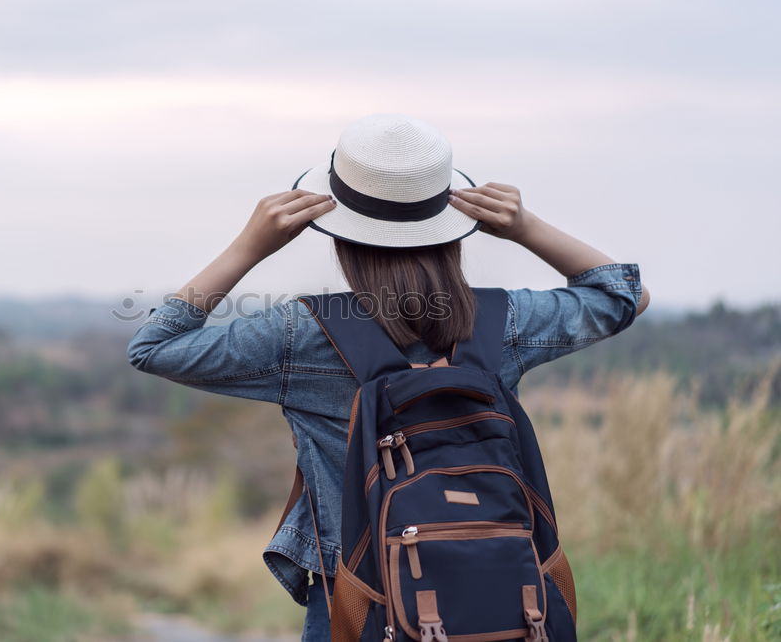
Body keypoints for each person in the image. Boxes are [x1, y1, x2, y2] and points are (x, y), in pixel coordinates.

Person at [126, 113, 651, 641]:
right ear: (450, 226)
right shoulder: (503, 323)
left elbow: (154, 346)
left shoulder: (302, 333)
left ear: (339, 232)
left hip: (356, 594)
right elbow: (623, 296)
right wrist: (525, 227)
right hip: (499, 590)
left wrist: (250, 246)